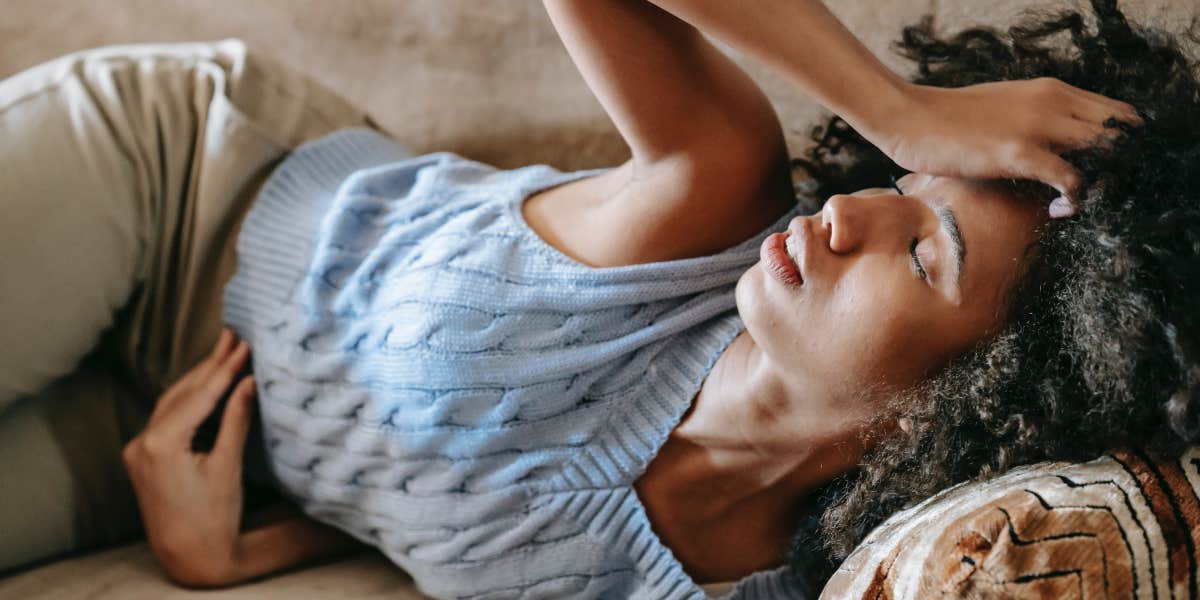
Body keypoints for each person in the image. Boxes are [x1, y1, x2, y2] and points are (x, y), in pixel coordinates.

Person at [0, 0, 1186, 598]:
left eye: (924, 254)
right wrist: (900, 107)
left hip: (171, 429)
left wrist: (233, 557)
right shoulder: (713, 200)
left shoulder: (752, 585)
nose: (854, 213)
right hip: (174, 192)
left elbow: (457, 497)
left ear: (979, 403)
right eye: (903, 184)